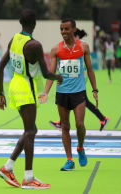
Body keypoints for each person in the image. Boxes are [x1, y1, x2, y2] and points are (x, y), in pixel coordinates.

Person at [0, 9, 62, 189]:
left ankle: (8, 167)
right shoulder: (34, 45)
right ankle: (28, 178)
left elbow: (1, 67)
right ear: (35, 22)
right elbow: (47, 72)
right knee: (30, 132)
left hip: (14, 86)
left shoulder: (14, 38)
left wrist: (0, 94)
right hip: (26, 88)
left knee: (30, 130)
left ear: (20, 21)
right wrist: (59, 77)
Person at [39, 18, 98, 171]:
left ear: (74, 29)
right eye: (61, 29)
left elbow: (90, 69)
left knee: (80, 124)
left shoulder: (83, 47)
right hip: (62, 93)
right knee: (65, 126)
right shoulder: (56, 49)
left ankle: (80, 147)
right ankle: (69, 160)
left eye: (66, 29)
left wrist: (94, 89)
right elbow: (51, 73)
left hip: (78, 92)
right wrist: (46, 91)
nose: (63, 32)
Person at [49, 28, 110, 131]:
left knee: (80, 100)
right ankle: (102, 118)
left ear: (76, 36)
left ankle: (102, 118)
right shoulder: (76, 44)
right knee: (82, 100)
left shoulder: (81, 45)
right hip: (77, 76)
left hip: (79, 77)